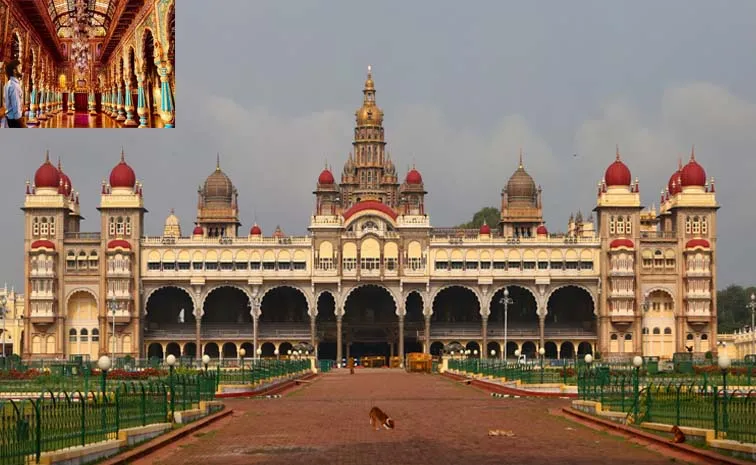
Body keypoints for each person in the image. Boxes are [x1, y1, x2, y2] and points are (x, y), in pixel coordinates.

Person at [3, 60, 24, 128]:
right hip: (15, 121)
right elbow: (16, 111)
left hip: (10, 119)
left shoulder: (8, 84)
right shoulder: (14, 86)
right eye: (19, 67)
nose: (21, 69)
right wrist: (23, 126)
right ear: (14, 70)